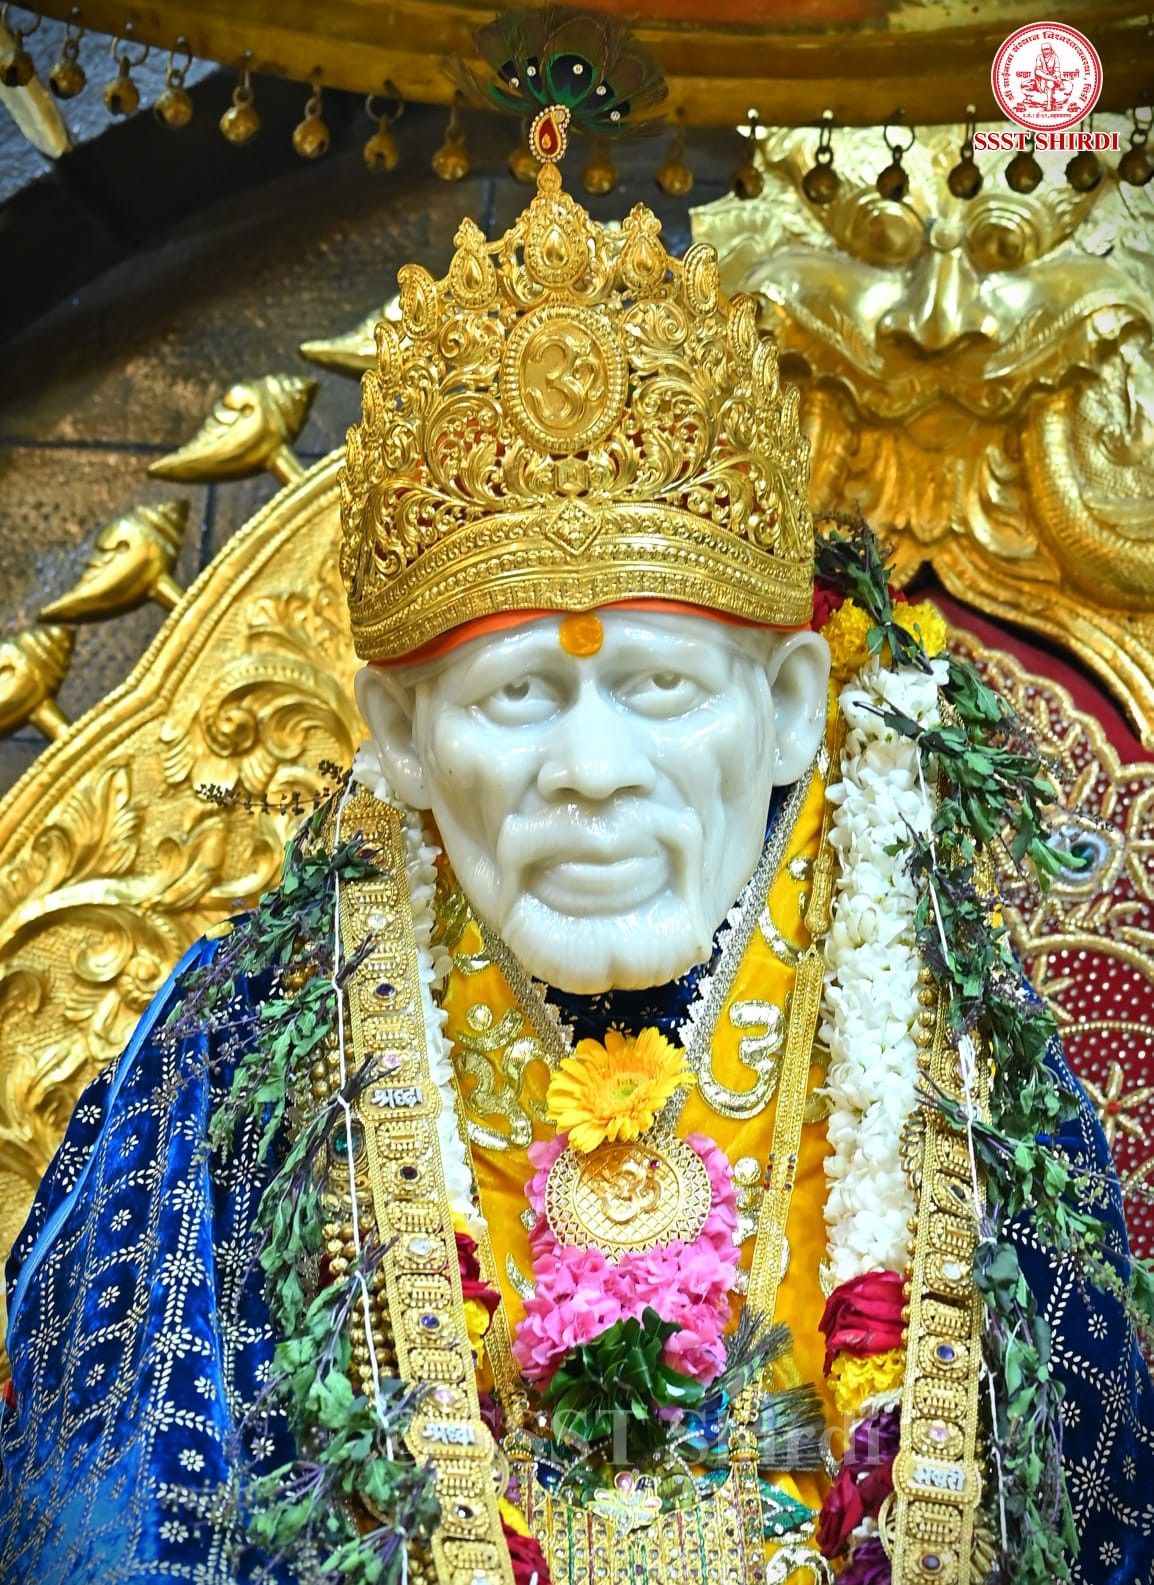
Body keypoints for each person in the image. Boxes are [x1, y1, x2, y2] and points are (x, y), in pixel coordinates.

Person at [2, 93, 1153, 1585]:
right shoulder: (226, 1080)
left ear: (796, 707)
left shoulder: (954, 1052)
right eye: (520, 696)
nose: (594, 770)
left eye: (661, 688)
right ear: (403, 736)